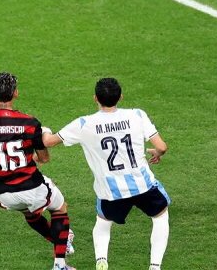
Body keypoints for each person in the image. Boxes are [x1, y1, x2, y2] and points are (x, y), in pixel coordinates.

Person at [43, 77, 170, 270]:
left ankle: (101, 262)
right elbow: (161, 146)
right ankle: (155, 267)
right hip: (143, 185)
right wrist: (157, 153)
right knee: (160, 216)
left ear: (95, 98)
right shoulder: (137, 115)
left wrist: (44, 131)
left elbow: (49, 142)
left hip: (110, 191)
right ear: (121, 97)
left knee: (103, 223)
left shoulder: (84, 124)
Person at [0, 72, 75, 270]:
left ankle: (59, 239)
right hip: (31, 186)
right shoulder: (30, 123)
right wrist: (44, 134)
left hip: (1, 194)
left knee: (29, 212)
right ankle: (60, 264)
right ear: (16, 93)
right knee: (59, 208)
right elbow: (44, 159)